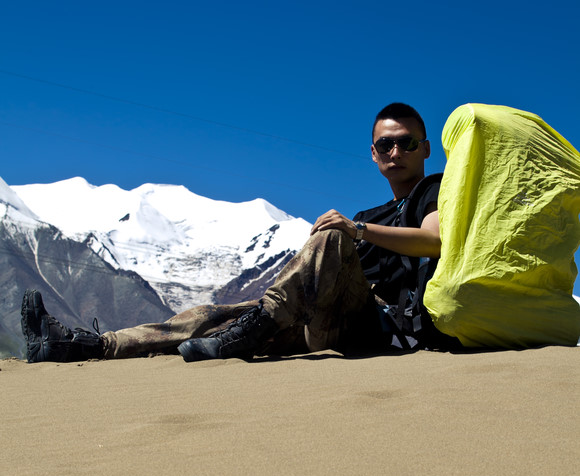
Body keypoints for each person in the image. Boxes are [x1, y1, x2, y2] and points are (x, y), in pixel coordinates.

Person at [22, 102, 452, 364]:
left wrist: (355, 230)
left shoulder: (431, 191)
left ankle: (256, 324)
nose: (396, 151)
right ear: (373, 153)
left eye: (408, 143)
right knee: (207, 318)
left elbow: (433, 241)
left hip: (379, 327)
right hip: (325, 320)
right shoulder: (370, 213)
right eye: (385, 145)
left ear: (426, 149)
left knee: (332, 232)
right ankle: (84, 347)